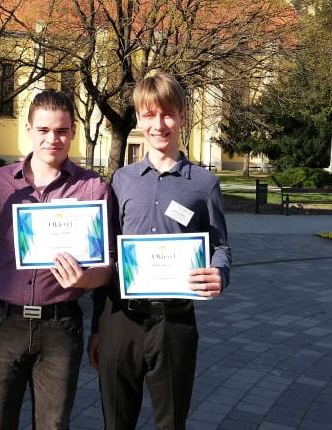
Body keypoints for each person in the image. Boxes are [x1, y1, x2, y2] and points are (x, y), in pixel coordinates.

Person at [0, 90, 113, 430]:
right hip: (3, 325)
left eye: (61, 131)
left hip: (60, 327)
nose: (52, 139)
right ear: (29, 130)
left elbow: (109, 266)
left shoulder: (93, 188)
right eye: (43, 130)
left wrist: (85, 279)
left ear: (73, 132)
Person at [88, 71, 232, 429]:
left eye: (167, 114)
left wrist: (220, 273)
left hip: (175, 322)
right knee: (115, 422)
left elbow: (220, 246)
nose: (159, 124)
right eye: (149, 115)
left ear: (182, 116)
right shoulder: (120, 181)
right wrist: (97, 328)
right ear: (139, 118)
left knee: (171, 423)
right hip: (120, 320)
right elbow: (108, 255)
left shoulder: (204, 184)